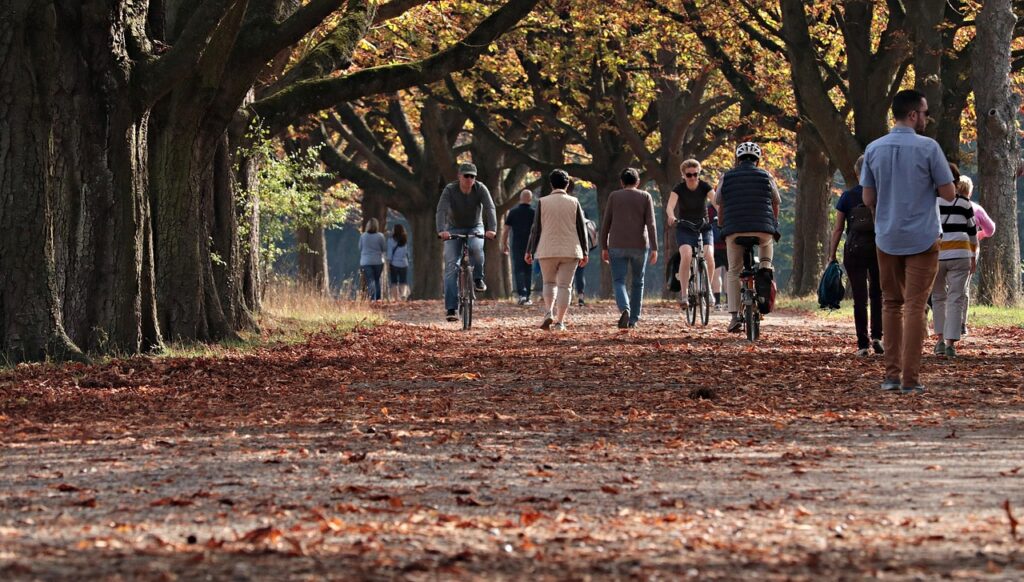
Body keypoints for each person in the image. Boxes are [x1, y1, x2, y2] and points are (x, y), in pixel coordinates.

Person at [862, 89, 956, 393]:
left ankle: (891, 375)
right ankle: (911, 379)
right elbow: (949, 193)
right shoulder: (929, 148)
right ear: (913, 114)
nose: (927, 118)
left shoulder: (874, 149)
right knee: (916, 305)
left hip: (887, 236)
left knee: (891, 303)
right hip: (923, 236)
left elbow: (868, 197)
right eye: (925, 113)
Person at [715, 142, 781, 333]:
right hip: (763, 230)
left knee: (734, 271)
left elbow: (720, 203)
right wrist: (773, 223)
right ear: (757, 160)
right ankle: (764, 282)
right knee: (766, 258)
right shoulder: (766, 176)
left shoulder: (726, 177)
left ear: (738, 159)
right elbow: (775, 202)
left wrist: (722, 225)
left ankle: (734, 317)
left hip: (734, 229)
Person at [829, 155, 883, 357]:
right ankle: (878, 335)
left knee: (860, 297)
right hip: (878, 248)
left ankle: (862, 343)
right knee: (878, 294)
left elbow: (837, 229)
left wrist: (832, 254)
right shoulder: (880, 195)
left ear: (857, 172)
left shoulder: (847, 197)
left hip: (854, 249)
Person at [525, 170, 590, 331]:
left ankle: (548, 312)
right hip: (570, 249)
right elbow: (582, 228)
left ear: (551, 184)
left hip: (547, 248)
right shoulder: (574, 202)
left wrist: (530, 250)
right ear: (567, 184)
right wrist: (585, 251)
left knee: (549, 282)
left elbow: (536, 229)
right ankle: (560, 322)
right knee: (565, 286)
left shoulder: (542, 202)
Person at [436, 162, 497, 322]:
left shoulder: (481, 189)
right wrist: (441, 230)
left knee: (476, 249)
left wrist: (492, 229)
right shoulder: (450, 190)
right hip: (453, 228)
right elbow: (441, 210)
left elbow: (490, 208)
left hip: (475, 226)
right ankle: (451, 308)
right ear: (459, 176)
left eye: (472, 176)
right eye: (466, 176)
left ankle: (478, 278)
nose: (470, 179)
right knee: (451, 267)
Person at [600, 167, 658, 329]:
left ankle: (624, 307)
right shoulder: (645, 196)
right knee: (638, 282)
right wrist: (654, 247)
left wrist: (604, 246)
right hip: (639, 245)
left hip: (617, 245)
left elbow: (606, 224)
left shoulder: (614, 196)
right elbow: (651, 224)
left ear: (621, 182)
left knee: (619, 281)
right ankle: (633, 319)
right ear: (638, 182)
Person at [931, 165, 978, 359]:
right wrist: (973, 256)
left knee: (938, 297)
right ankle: (951, 343)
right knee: (956, 298)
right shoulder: (965, 204)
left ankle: (940, 340)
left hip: (936, 255)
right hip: (960, 254)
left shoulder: (931, 202)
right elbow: (973, 233)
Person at [666, 159, 716, 310]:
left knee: (709, 256)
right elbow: (670, 205)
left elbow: (716, 201)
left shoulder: (704, 186)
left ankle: (708, 290)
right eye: (689, 175)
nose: (693, 178)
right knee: (686, 255)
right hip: (685, 227)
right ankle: (684, 294)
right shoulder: (679, 189)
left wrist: (721, 213)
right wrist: (671, 216)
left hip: (703, 226)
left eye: (696, 174)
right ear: (683, 175)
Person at [958, 175, 994, 335]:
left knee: (947, 287)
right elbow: (991, 229)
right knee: (964, 287)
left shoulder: (946, 206)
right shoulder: (976, 209)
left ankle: (946, 322)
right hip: (970, 250)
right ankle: (962, 324)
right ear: (970, 192)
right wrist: (980, 234)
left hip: (946, 249)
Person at [502, 189, 535, 305]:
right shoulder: (534, 213)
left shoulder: (513, 212)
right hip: (530, 246)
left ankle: (522, 294)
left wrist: (504, 243)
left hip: (517, 244)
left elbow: (506, 229)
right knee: (528, 269)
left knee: (519, 270)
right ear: (530, 199)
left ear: (520, 199)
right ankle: (528, 296)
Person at [358, 218, 387, 302]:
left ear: (367, 226)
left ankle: (372, 297)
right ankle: (377, 298)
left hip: (366, 261)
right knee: (377, 280)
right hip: (378, 261)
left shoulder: (363, 236)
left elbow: (360, 247)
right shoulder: (380, 236)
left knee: (370, 280)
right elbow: (384, 248)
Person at [708, 204, 727, 309]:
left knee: (716, 274)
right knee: (730, 274)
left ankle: (718, 302)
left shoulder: (710, 208)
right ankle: (729, 301)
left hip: (714, 245)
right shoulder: (728, 204)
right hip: (728, 244)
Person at [387, 224, 410, 301]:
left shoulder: (391, 240)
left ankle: (396, 299)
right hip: (404, 263)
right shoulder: (405, 240)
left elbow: (389, 254)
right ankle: (403, 295)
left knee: (394, 282)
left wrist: (388, 263)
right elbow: (407, 252)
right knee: (403, 281)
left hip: (394, 264)